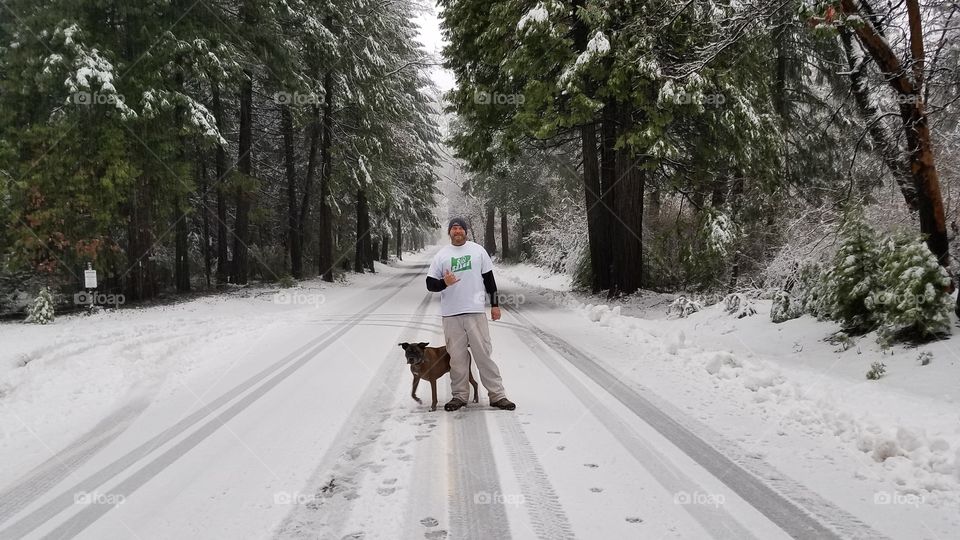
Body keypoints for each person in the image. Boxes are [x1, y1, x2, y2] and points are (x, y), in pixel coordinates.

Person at [425, 217, 516, 411]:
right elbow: (430, 284)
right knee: (456, 358)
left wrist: (495, 305)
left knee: (483, 355)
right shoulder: (442, 255)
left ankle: (497, 395)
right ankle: (459, 396)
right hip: (451, 314)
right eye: (454, 228)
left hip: (475, 312)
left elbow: (489, 280)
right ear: (449, 232)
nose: (457, 231)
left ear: (465, 231)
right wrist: (444, 283)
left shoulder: (478, 251)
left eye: (460, 228)